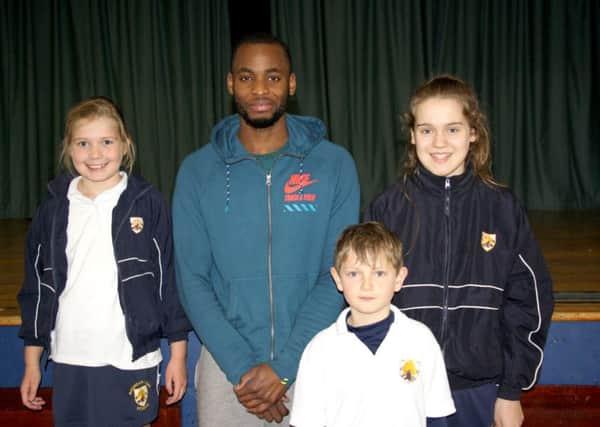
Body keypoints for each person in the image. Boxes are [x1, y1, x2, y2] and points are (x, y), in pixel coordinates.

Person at [172, 32, 360, 426]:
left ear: (291, 84)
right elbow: (192, 279)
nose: (260, 89)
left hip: (316, 359)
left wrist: (286, 367)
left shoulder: (335, 165)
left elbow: (339, 274)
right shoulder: (196, 171)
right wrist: (244, 369)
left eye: (273, 77)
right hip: (229, 373)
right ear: (230, 84)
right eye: (247, 77)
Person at [364, 75, 554, 427]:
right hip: (403, 391)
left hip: (480, 392)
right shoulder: (386, 211)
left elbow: (529, 303)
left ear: (473, 132)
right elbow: (360, 303)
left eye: (452, 129)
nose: (439, 143)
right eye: (426, 130)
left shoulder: (503, 209)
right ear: (412, 136)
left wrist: (510, 391)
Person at [18, 97, 190, 427]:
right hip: (70, 353)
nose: (95, 154)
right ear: (68, 149)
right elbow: (37, 287)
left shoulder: (147, 202)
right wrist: (31, 362)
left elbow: (169, 280)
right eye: (83, 143)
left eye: (106, 142)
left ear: (125, 146)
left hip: (130, 356)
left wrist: (178, 356)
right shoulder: (53, 208)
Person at [290, 221, 456, 427]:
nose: (367, 285)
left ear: (399, 278)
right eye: (354, 274)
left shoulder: (421, 340)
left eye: (379, 273)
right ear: (337, 278)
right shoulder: (320, 349)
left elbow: (437, 416)